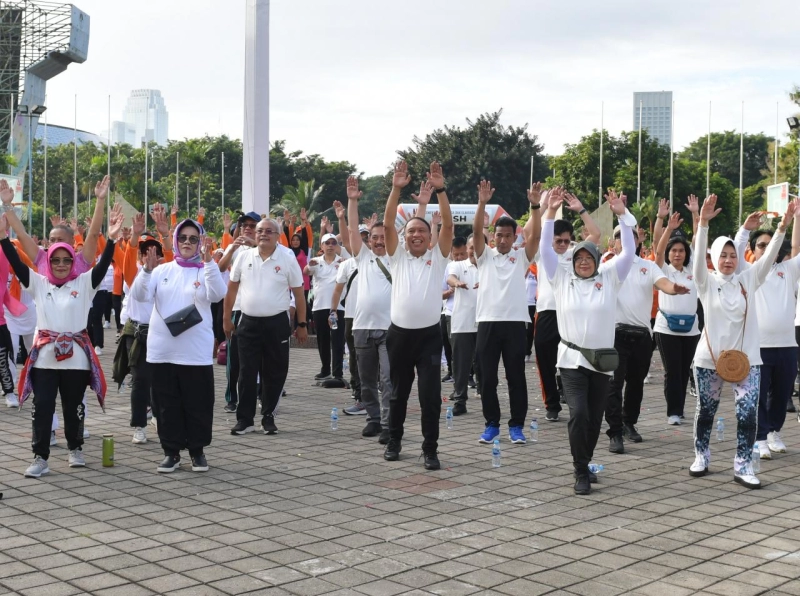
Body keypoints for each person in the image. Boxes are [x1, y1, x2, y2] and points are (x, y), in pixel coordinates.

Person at [0, 200, 121, 478]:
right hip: (44, 358)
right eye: (55, 259)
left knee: (74, 406)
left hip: (76, 360)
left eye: (67, 259)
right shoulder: (38, 283)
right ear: (48, 260)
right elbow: (17, 263)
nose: (62, 264)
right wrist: (3, 236)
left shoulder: (84, 283)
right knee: (42, 407)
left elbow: (102, 266)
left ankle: (75, 449)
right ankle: (40, 457)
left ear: (72, 259)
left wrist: (112, 239)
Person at [689, 195, 792, 489]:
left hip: (748, 361)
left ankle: (743, 465)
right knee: (705, 412)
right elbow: (698, 258)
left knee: (747, 415)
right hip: (708, 360)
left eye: (733, 255)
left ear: (740, 258)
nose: (728, 260)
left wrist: (783, 226)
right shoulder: (705, 281)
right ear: (715, 257)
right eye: (723, 255)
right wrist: (703, 223)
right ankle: (701, 455)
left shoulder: (748, 280)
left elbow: (770, 256)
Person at [539, 189, 635, 495]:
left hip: (602, 361)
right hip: (571, 362)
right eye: (577, 257)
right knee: (578, 413)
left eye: (587, 257)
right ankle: (580, 470)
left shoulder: (608, 278)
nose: (582, 261)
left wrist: (622, 214)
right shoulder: (561, 279)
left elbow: (629, 252)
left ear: (596, 259)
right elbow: (544, 248)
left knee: (594, 418)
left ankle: (586, 460)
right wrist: (550, 213)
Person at [131, 218, 227, 473]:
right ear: (175, 241)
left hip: (195, 352)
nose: (187, 243)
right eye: (182, 238)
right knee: (166, 404)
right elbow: (139, 296)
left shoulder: (206, 268)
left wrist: (208, 263)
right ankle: (171, 451)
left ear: (201, 242)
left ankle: (197, 451)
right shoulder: (162, 270)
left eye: (193, 239)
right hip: (163, 351)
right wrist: (146, 270)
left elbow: (217, 294)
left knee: (198, 403)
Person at [382, 161, 453, 470]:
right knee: (398, 393)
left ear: (428, 236)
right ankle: (394, 440)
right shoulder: (396, 257)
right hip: (399, 335)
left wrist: (441, 190)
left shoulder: (437, 259)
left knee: (429, 396)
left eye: (421, 231)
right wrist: (396, 189)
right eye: (410, 231)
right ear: (404, 236)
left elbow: (448, 226)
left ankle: (430, 448)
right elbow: (386, 226)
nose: (416, 235)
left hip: (428, 337)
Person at [604, 216, 689, 453]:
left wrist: (674, 289)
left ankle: (629, 423)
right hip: (615, 334)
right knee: (614, 384)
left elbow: (663, 283)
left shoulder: (647, 266)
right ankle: (615, 432)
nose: (626, 241)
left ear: (637, 241)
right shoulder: (608, 265)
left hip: (642, 335)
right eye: (621, 237)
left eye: (630, 237)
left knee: (636, 385)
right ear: (614, 242)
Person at [472, 180, 542, 444]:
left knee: (516, 378)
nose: (502, 240)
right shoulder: (484, 255)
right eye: (498, 235)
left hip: (515, 324)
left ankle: (516, 426)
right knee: (487, 378)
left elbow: (535, 237)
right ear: (493, 237)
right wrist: (482, 203)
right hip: (488, 323)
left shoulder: (521, 257)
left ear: (515, 238)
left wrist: (535, 206)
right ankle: (491, 424)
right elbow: (477, 232)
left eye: (508, 236)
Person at [225, 218, 307, 436]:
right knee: (246, 372)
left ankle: (268, 416)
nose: (263, 234)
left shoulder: (287, 257)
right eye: (260, 230)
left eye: (269, 231)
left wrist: (301, 324)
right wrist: (226, 318)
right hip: (248, 322)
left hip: (277, 323)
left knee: (275, 372)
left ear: (277, 235)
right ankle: (245, 419)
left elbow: (299, 293)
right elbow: (232, 290)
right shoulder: (244, 256)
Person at [735, 203, 800, 459]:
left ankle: (773, 430)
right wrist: (744, 230)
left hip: (786, 345)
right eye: (760, 245)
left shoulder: (788, 270)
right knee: (759, 395)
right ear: (753, 250)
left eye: (769, 244)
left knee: (783, 392)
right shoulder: (748, 273)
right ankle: (760, 437)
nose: (766, 248)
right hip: (758, 346)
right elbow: (736, 252)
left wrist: (792, 221)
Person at [534, 193, 601, 421]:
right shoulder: (543, 254)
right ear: (551, 239)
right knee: (545, 360)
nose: (562, 245)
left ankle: (569, 395)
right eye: (558, 241)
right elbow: (533, 234)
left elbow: (596, 235)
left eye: (566, 240)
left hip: (571, 314)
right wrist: (547, 209)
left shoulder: (575, 253)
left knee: (570, 358)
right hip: (546, 313)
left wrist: (581, 210)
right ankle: (551, 404)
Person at [116, 207, 174, 445]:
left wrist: (165, 234)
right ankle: (139, 424)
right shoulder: (135, 274)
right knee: (140, 380)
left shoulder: (168, 273)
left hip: (162, 333)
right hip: (138, 333)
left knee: (161, 380)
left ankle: (159, 418)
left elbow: (172, 255)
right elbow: (128, 257)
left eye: (155, 252)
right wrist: (134, 237)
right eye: (145, 253)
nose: (150, 256)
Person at [345, 176, 394, 442]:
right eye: (374, 237)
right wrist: (353, 201)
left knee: (387, 379)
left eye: (383, 237)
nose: (378, 241)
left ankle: (387, 423)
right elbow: (353, 231)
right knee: (366, 380)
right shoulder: (363, 257)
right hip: (361, 327)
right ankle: (373, 419)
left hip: (389, 328)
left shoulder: (397, 259)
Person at [653, 212, 700, 426]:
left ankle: (680, 410)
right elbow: (658, 249)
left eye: (681, 251)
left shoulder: (693, 271)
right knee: (672, 371)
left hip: (691, 329)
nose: (678, 254)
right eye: (674, 250)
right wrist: (668, 229)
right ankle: (673, 411)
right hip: (666, 328)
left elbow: (699, 239)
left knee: (684, 370)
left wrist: (696, 214)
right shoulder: (663, 270)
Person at [216, 211, 259, 413]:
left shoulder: (268, 249)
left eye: (252, 225)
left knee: (258, 358)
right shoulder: (237, 248)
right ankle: (232, 397)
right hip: (238, 309)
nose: (248, 229)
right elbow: (220, 268)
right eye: (244, 225)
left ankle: (258, 395)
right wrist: (233, 247)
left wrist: (254, 244)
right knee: (234, 358)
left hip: (260, 311)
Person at [305, 233, 346, 382]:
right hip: (319, 307)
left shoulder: (342, 262)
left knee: (337, 339)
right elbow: (306, 271)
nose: (330, 245)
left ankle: (338, 372)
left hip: (337, 308)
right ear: (322, 246)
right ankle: (325, 369)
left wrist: (345, 262)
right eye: (326, 243)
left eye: (333, 243)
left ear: (336, 246)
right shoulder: (316, 261)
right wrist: (309, 265)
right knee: (323, 339)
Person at [446, 235, 480, 416]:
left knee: (485, 364)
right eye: (471, 247)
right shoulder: (457, 265)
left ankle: (488, 395)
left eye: (478, 246)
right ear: (467, 248)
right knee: (461, 364)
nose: (474, 251)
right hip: (462, 323)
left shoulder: (490, 265)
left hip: (486, 322)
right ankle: (460, 400)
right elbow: (451, 277)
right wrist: (456, 283)